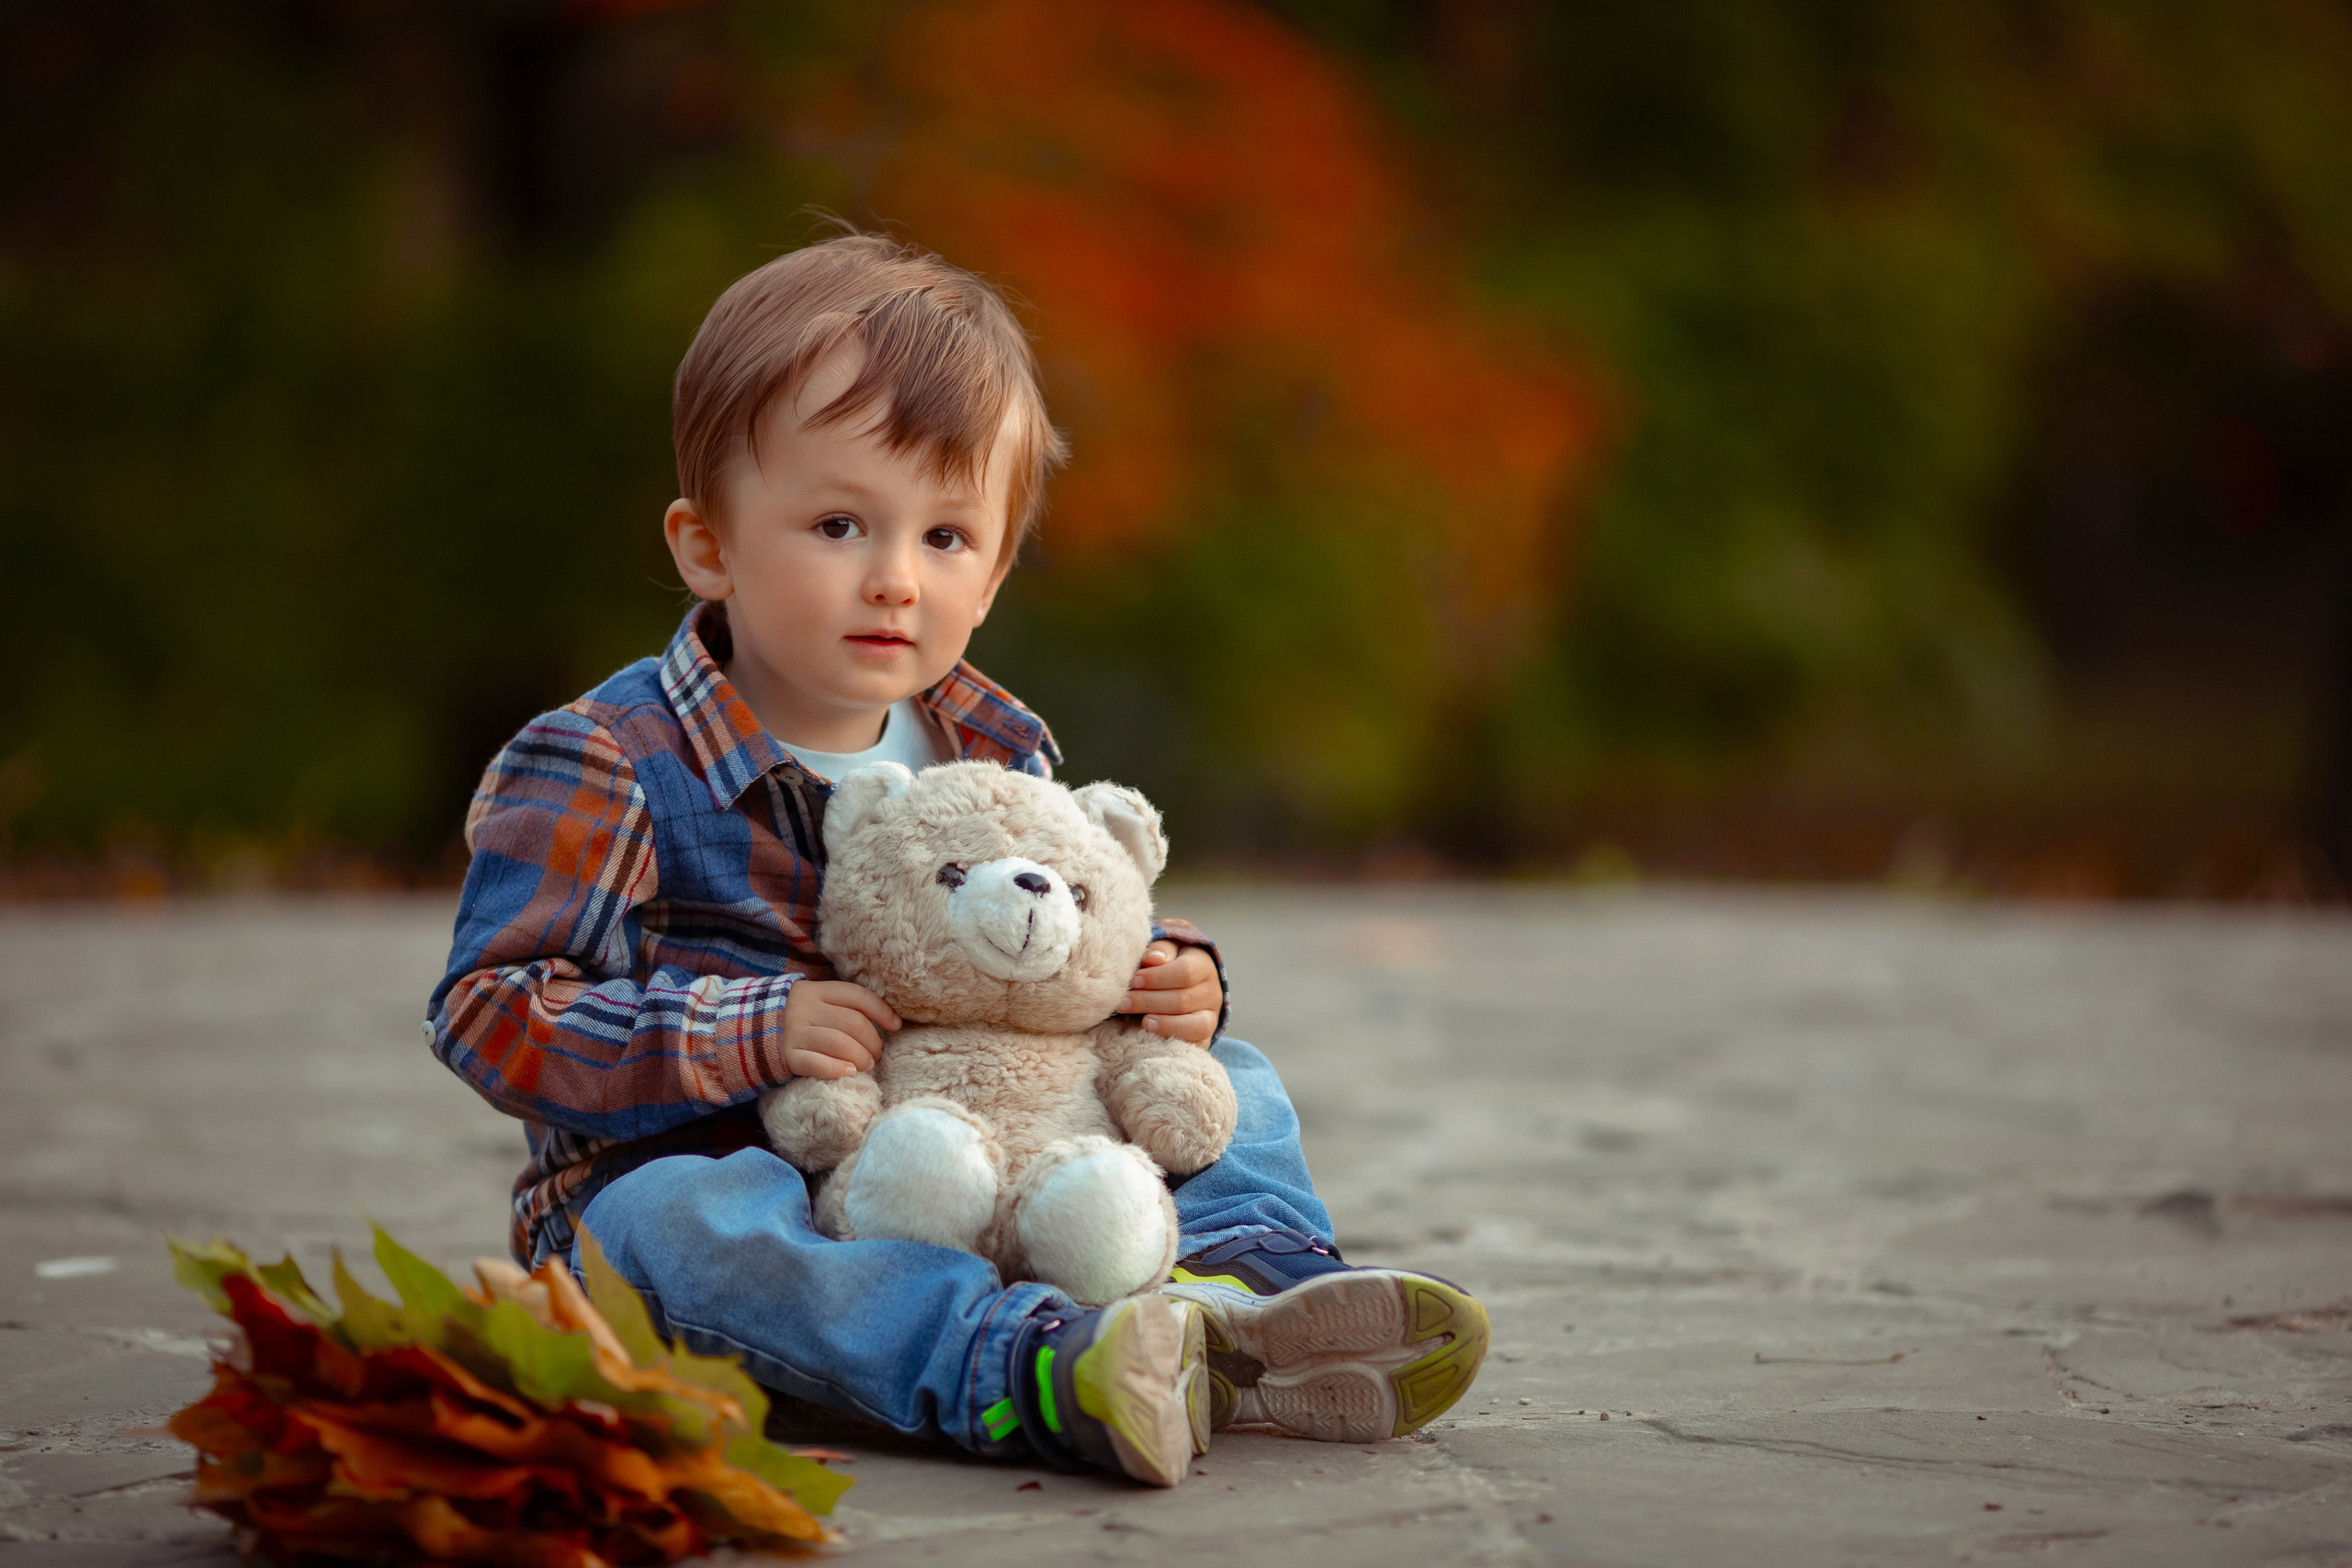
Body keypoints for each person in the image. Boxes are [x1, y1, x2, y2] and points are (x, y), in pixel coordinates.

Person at [424, 231, 1487, 1486]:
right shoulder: (609, 759)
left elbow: (1063, 935)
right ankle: (1028, 1367)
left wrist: (1166, 981)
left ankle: (1239, 1290)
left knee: (1232, 1075)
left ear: (992, 571)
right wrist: (750, 1032)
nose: (893, 580)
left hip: (999, 1153)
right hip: (725, 1179)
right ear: (707, 545)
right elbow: (490, 1013)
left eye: (945, 538)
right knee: (684, 1227)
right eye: (837, 524)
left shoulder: (995, 740)